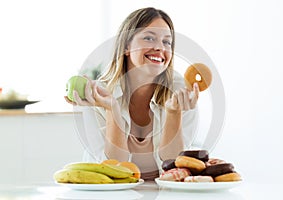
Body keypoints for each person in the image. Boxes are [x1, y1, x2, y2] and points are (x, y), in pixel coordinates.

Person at [65, 7, 200, 181]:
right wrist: (112, 109)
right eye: (149, 38)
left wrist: (174, 114)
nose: (160, 47)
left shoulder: (181, 91)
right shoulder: (98, 94)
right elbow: (112, 167)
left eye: (167, 42)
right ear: (127, 46)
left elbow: (174, 167)